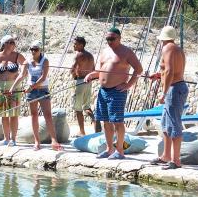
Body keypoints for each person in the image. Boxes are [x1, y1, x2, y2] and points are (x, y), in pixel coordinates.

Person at [84, 28, 143, 159]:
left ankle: (120, 151)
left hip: (117, 91)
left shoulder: (127, 52)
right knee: (105, 121)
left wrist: (128, 84)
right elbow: (99, 71)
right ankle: (109, 149)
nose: (109, 41)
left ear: (119, 38)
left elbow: (139, 69)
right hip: (103, 91)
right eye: (107, 39)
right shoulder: (104, 52)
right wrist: (90, 75)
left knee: (117, 121)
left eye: (112, 39)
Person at [12, 40, 63, 151]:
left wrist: (32, 86)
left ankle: (54, 141)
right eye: (32, 49)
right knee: (34, 115)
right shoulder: (27, 62)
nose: (33, 51)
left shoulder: (45, 61)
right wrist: (12, 88)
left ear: (40, 50)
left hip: (42, 90)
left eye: (36, 49)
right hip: (31, 92)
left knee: (48, 115)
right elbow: (22, 75)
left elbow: (43, 77)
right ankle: (37, 142)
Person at [152, 26, 188, 169]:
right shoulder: (178, 50)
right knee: (166, 124)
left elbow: (170, 70)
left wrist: (164, 92)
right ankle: (166, 156)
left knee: (174, 124)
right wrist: (159, 75)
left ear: (163, 39)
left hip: (174, 89)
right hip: (177, 87)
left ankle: (176, 160)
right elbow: (170, 70)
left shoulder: (167, 48)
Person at [70, 36, 97, 136]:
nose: (74, 45)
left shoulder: (78, 55)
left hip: (80, 82)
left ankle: (82, 131)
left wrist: (74, 77)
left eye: (75, 44)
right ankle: (95, 125)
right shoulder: (90, 55)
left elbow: (72, 69)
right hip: (88, 82)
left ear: (81, 45)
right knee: (87, 107)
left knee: (78, 108)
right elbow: (94, 69)